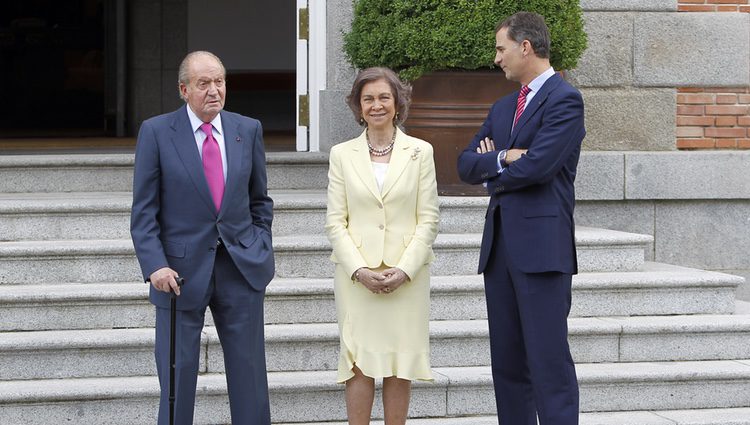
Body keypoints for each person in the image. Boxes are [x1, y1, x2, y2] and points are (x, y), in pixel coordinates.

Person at [130, 50, 274, 425]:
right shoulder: (157, 132)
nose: (214, 90)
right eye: (203, 83)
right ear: (184, 89)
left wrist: (260, 246)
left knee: (251, 380)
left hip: (240, 269)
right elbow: (143, 213)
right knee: (177, 381)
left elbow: (261, 201)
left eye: (220, 81)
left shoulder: (248, 129)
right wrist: (155, 265)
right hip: (177, 275)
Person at [456, 12, 585, 425]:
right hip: (500, 252)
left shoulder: (565, 99)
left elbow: (540, 167)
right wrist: (505, 157)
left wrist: (491, 169)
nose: (497, 59)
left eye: (501, 48)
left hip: (543, 251)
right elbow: (464, 164)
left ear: (525, 47)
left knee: (548, 363)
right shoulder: (502, 106)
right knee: (507, 365)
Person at [325, 67, 439, 424]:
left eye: (384, 97)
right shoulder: (341, 154)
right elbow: (335, 221)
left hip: (406, 276)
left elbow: (429, 219)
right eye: (368, 99)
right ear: (358, 106)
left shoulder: (421, 152)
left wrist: (405, 269)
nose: (377, 105)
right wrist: (358, 269)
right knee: (358, 364)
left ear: (398, 102)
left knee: (398, 364)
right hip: (357, 277)